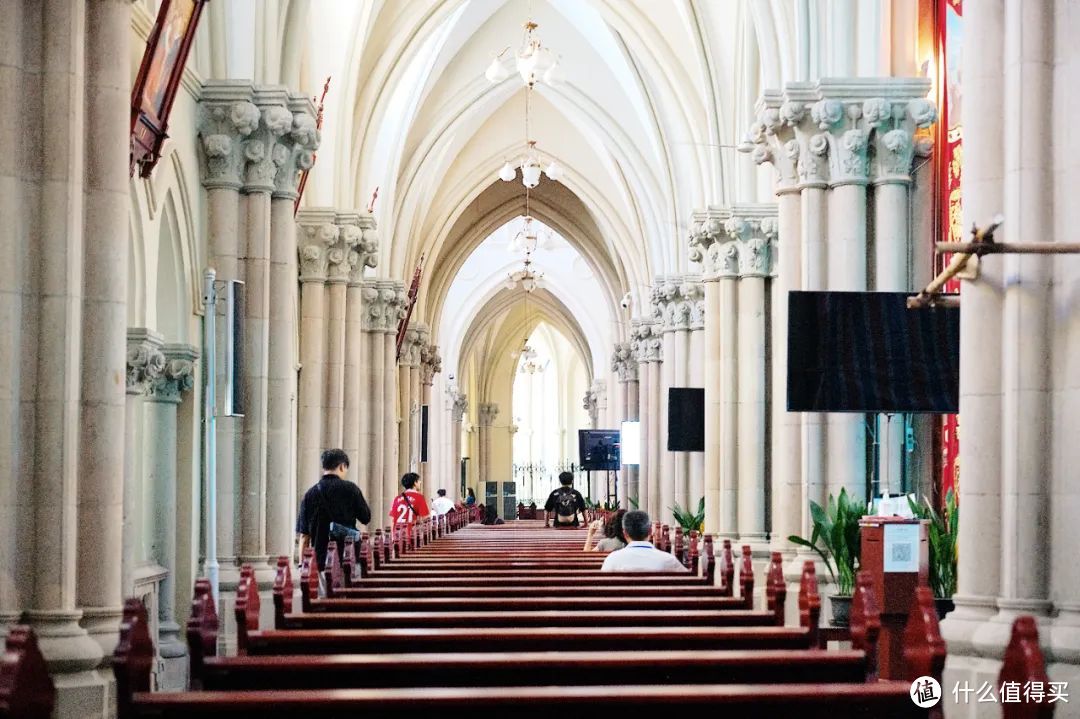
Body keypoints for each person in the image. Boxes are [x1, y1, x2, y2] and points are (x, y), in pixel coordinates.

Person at [295, 449, 371, 570]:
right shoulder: (351, 489)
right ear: (342, 466)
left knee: (323, 588)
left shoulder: (310, 494)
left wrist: (301, 564)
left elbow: (304, 536)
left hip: (321, 559)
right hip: (348, 555)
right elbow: (366, 517)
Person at [600, 510, 688, 573]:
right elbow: (688, 585)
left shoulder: (612, 560)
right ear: (650, 531)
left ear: (625, 533)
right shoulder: (669, 561)